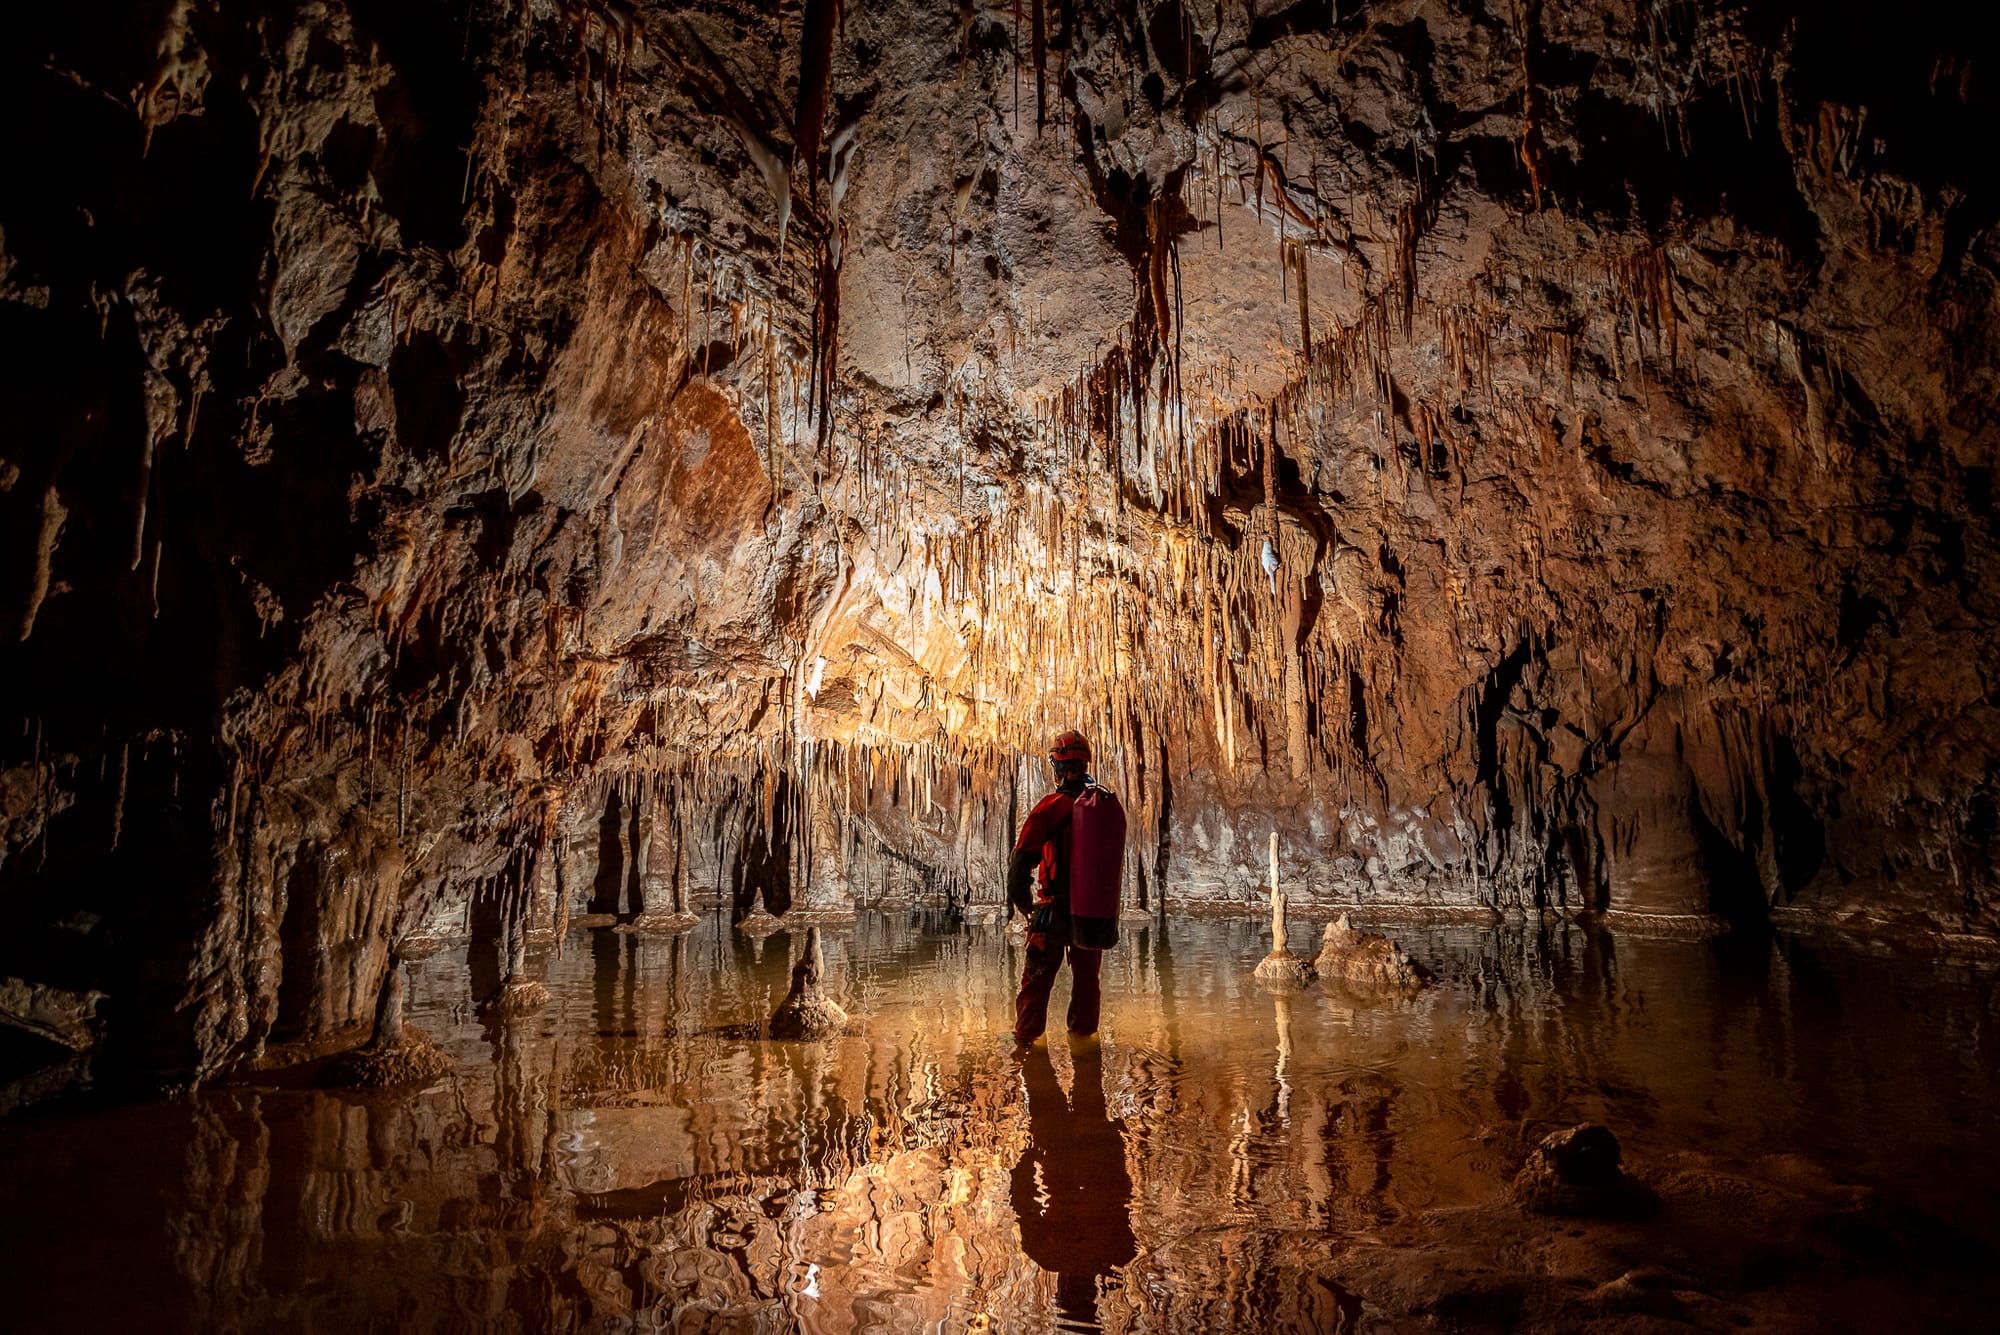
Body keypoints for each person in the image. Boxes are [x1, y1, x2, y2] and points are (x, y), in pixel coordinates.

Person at [1009, 1038, 1138, 1323]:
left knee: (1085, 1074)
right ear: (1063, 1287)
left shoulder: (1118, 1251)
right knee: (1039, 1074)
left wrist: (1028, 1160)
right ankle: (1052, 1040)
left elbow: (1123, 1194)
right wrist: (1027, 1158)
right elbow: (1022, 1197)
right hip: (1063, 1155)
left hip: (1091, 1151)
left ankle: (1038, 1039)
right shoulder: (1052, 1254)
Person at [1008, 729, 1101, 1044]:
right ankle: (1084, 1038)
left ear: (1058, 767)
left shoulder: (1051, 807)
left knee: (1036, 979)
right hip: (1091, 913)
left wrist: (1024, 907)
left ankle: (1027, 1041)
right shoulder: (1101, 804)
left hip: (1054, 910)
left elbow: (1020, 863)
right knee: (1088, 981)